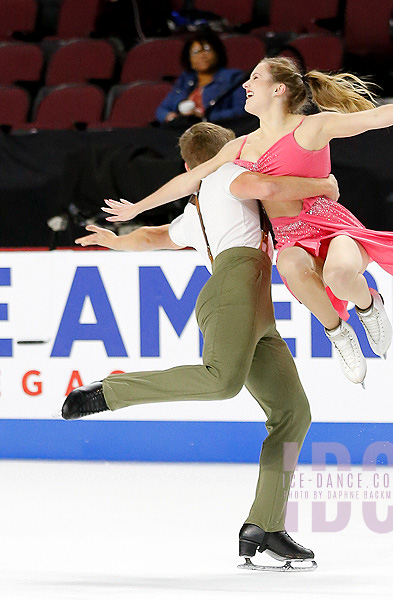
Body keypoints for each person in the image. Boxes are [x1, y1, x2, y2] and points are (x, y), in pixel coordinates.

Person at [62, 122, 340, 571]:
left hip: (253, 302)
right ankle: (109, 392)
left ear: (188, 165)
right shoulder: (226, 177)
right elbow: (270, 182)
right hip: (234, 290)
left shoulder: (205, 203)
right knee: (221, 381)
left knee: (293, 412)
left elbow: (157, 237)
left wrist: (117, 242)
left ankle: (265, 524)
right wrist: (323, 181)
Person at [102, 60, 393, 388]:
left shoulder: (312, 128)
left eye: (255, 77)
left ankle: (369, 304)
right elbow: (190, 180)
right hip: (291, 239)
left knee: (339, 276)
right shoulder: (241, 147)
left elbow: (374, 119)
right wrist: (138, 207)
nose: (246, 83)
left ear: (279, 89)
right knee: (289, 263)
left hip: (333, 228)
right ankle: (338, 334)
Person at [155, 30, 246, 123]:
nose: (202, 55)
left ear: (217, 53)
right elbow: (161, 110)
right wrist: (173, 118)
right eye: (195, 52)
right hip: (183, 129)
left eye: (207, 49)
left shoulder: (233, 77)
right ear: (189, 60)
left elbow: (241, 110)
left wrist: (205, 117)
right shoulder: (185, 80)